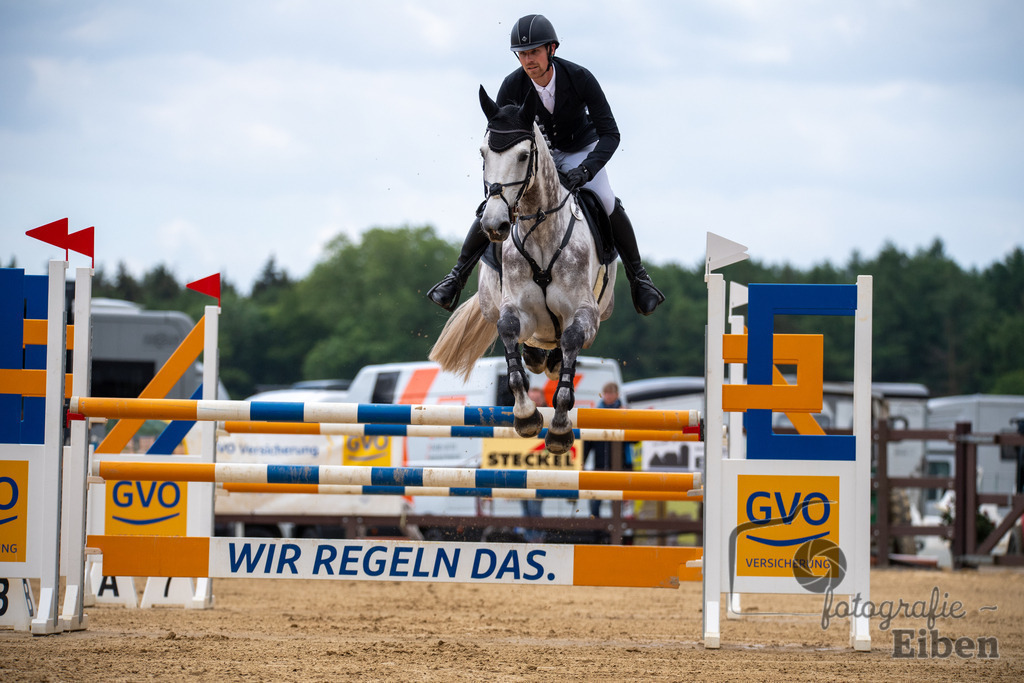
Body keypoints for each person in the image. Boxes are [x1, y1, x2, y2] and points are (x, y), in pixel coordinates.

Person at [427, 13, 665, 317]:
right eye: (522, 54)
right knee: (495, 204)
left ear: (551, 49)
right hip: (537, 158)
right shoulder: (511, 86)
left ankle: (639, 279)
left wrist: (588, 169)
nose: (528, 60)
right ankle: (457, 276)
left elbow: (610, 134)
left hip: (581, 149)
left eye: (534, 52)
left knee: (605, 200)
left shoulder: (579, 78)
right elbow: (502, 144)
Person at [583, 381, 629, 518]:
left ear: (617, 394)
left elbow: (634, 439)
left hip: (620, 465)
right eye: (606, 393)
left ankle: (614, 530)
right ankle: (596, 532)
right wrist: (582, 461)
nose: (608, 396)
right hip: (601, 464)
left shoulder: (625, 411)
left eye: (610, 393)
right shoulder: (597, 413)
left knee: (618, 503)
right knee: (595, 502)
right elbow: (588, 441)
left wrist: (626, 418)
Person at [519, 386, 547, 541]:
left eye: (537, 399)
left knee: (534, 507)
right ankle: (530, 538)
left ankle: (536, 538)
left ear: (542, 400)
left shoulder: (550, 416)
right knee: (525, 507)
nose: (535, 402)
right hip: (524, 466)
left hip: (539, 468)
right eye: (532, 399)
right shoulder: (523, 414)